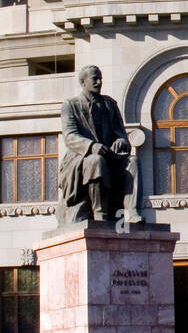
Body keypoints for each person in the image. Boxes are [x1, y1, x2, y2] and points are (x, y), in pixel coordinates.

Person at [58, 65, 137, 226]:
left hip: (110, 157)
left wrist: (120, 142)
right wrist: (92, 146)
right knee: (95, 161)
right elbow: (70, 136)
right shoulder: (71, 105)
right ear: (83, 82)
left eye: (100, 78)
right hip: (80, 158)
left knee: (133, 162)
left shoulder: (109, 104)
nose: (99, 82)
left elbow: (120, 133)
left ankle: (132, 211)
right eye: (95, 78)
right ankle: (100, 214)